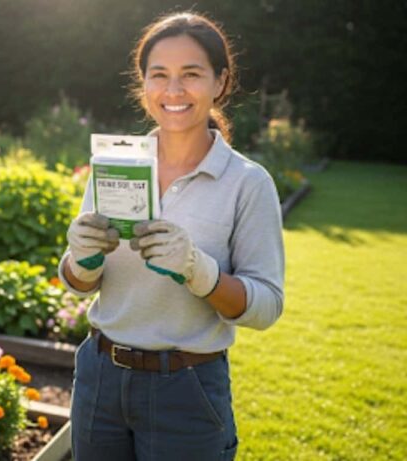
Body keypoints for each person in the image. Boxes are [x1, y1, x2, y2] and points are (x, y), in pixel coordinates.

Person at [59, 12, 285, 461]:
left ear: (220, 81)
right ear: (143, 84)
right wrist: (80, 259)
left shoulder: (247, 182)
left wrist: (198, 271)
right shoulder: (116, 165)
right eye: (158, 75)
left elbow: (266, 307)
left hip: (186, 389)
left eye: (191, 75)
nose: (174, 90)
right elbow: (80, 282)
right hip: (99, 378)